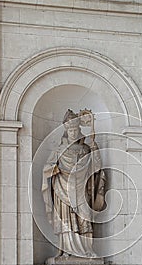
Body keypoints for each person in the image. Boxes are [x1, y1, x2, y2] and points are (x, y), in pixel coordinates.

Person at [42, 109, 106, 257]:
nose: (73, 132)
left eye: (75, 129)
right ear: (66, 131)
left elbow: (95, 167)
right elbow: (47, 168)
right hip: (62, 188)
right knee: (66, 218)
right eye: (70, 130)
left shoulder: (85, 149)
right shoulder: (59, 150)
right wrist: (54, 169)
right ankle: (66, 250)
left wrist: (94, 148)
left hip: (81, 188)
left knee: (84, 215)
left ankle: (86, 249)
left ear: (78, 130)